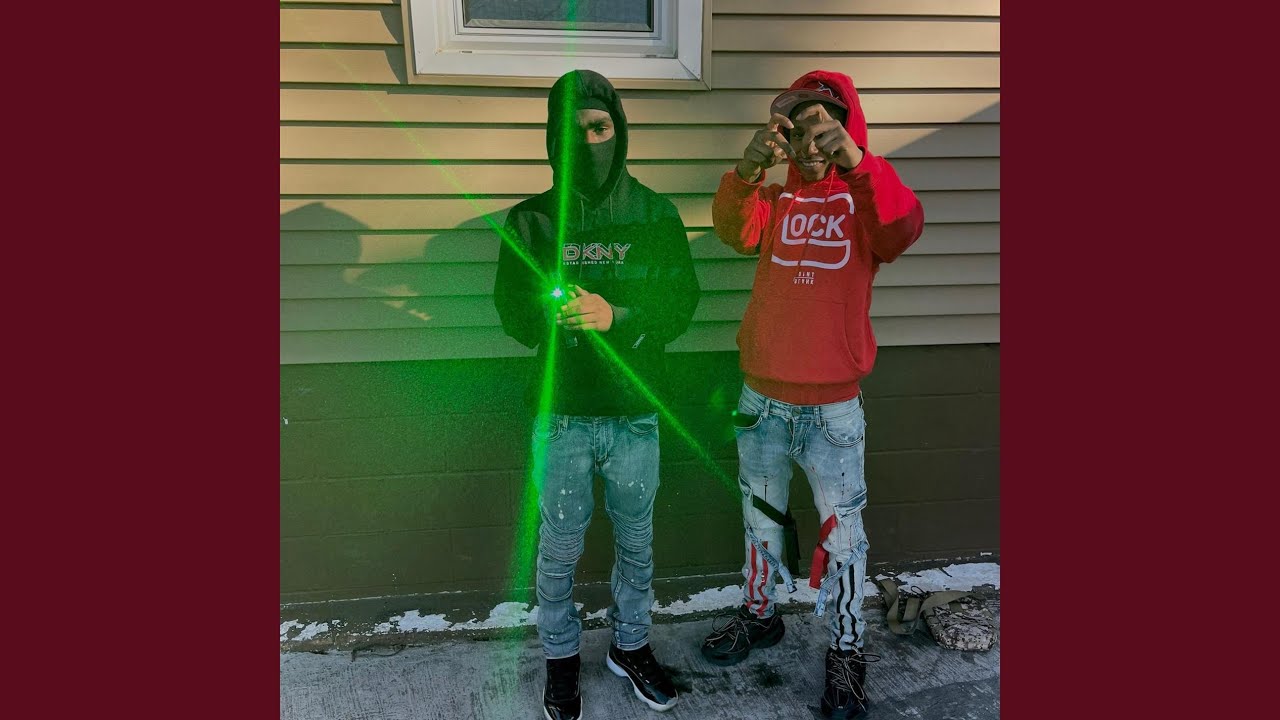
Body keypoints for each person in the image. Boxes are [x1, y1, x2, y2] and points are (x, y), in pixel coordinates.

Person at [699, 70, 925, 718]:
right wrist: (747, 172)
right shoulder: (775, 201)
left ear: (847, 130)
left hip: (832, 409)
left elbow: (903, 227)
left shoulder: (865, 199)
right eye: (799, 127)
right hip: (761, 400)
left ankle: (847, 652)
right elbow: (733, 230)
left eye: (824, 124)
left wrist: (857, 161)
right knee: (760, 518)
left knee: (843, 537)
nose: (811, 138)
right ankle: (760, 613)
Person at [493, 69, 700, 720]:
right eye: (571, 130)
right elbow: (510, 311)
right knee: (559, 546)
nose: (587, 142)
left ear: (620, 131)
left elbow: (682, 303)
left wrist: (619, 317)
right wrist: (547, 314)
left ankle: (630, 646)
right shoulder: (530, 220)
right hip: (561, 414)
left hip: (636, 412)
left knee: (637, 543)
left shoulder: (657, 214)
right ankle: (560, 658)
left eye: (599, 127)